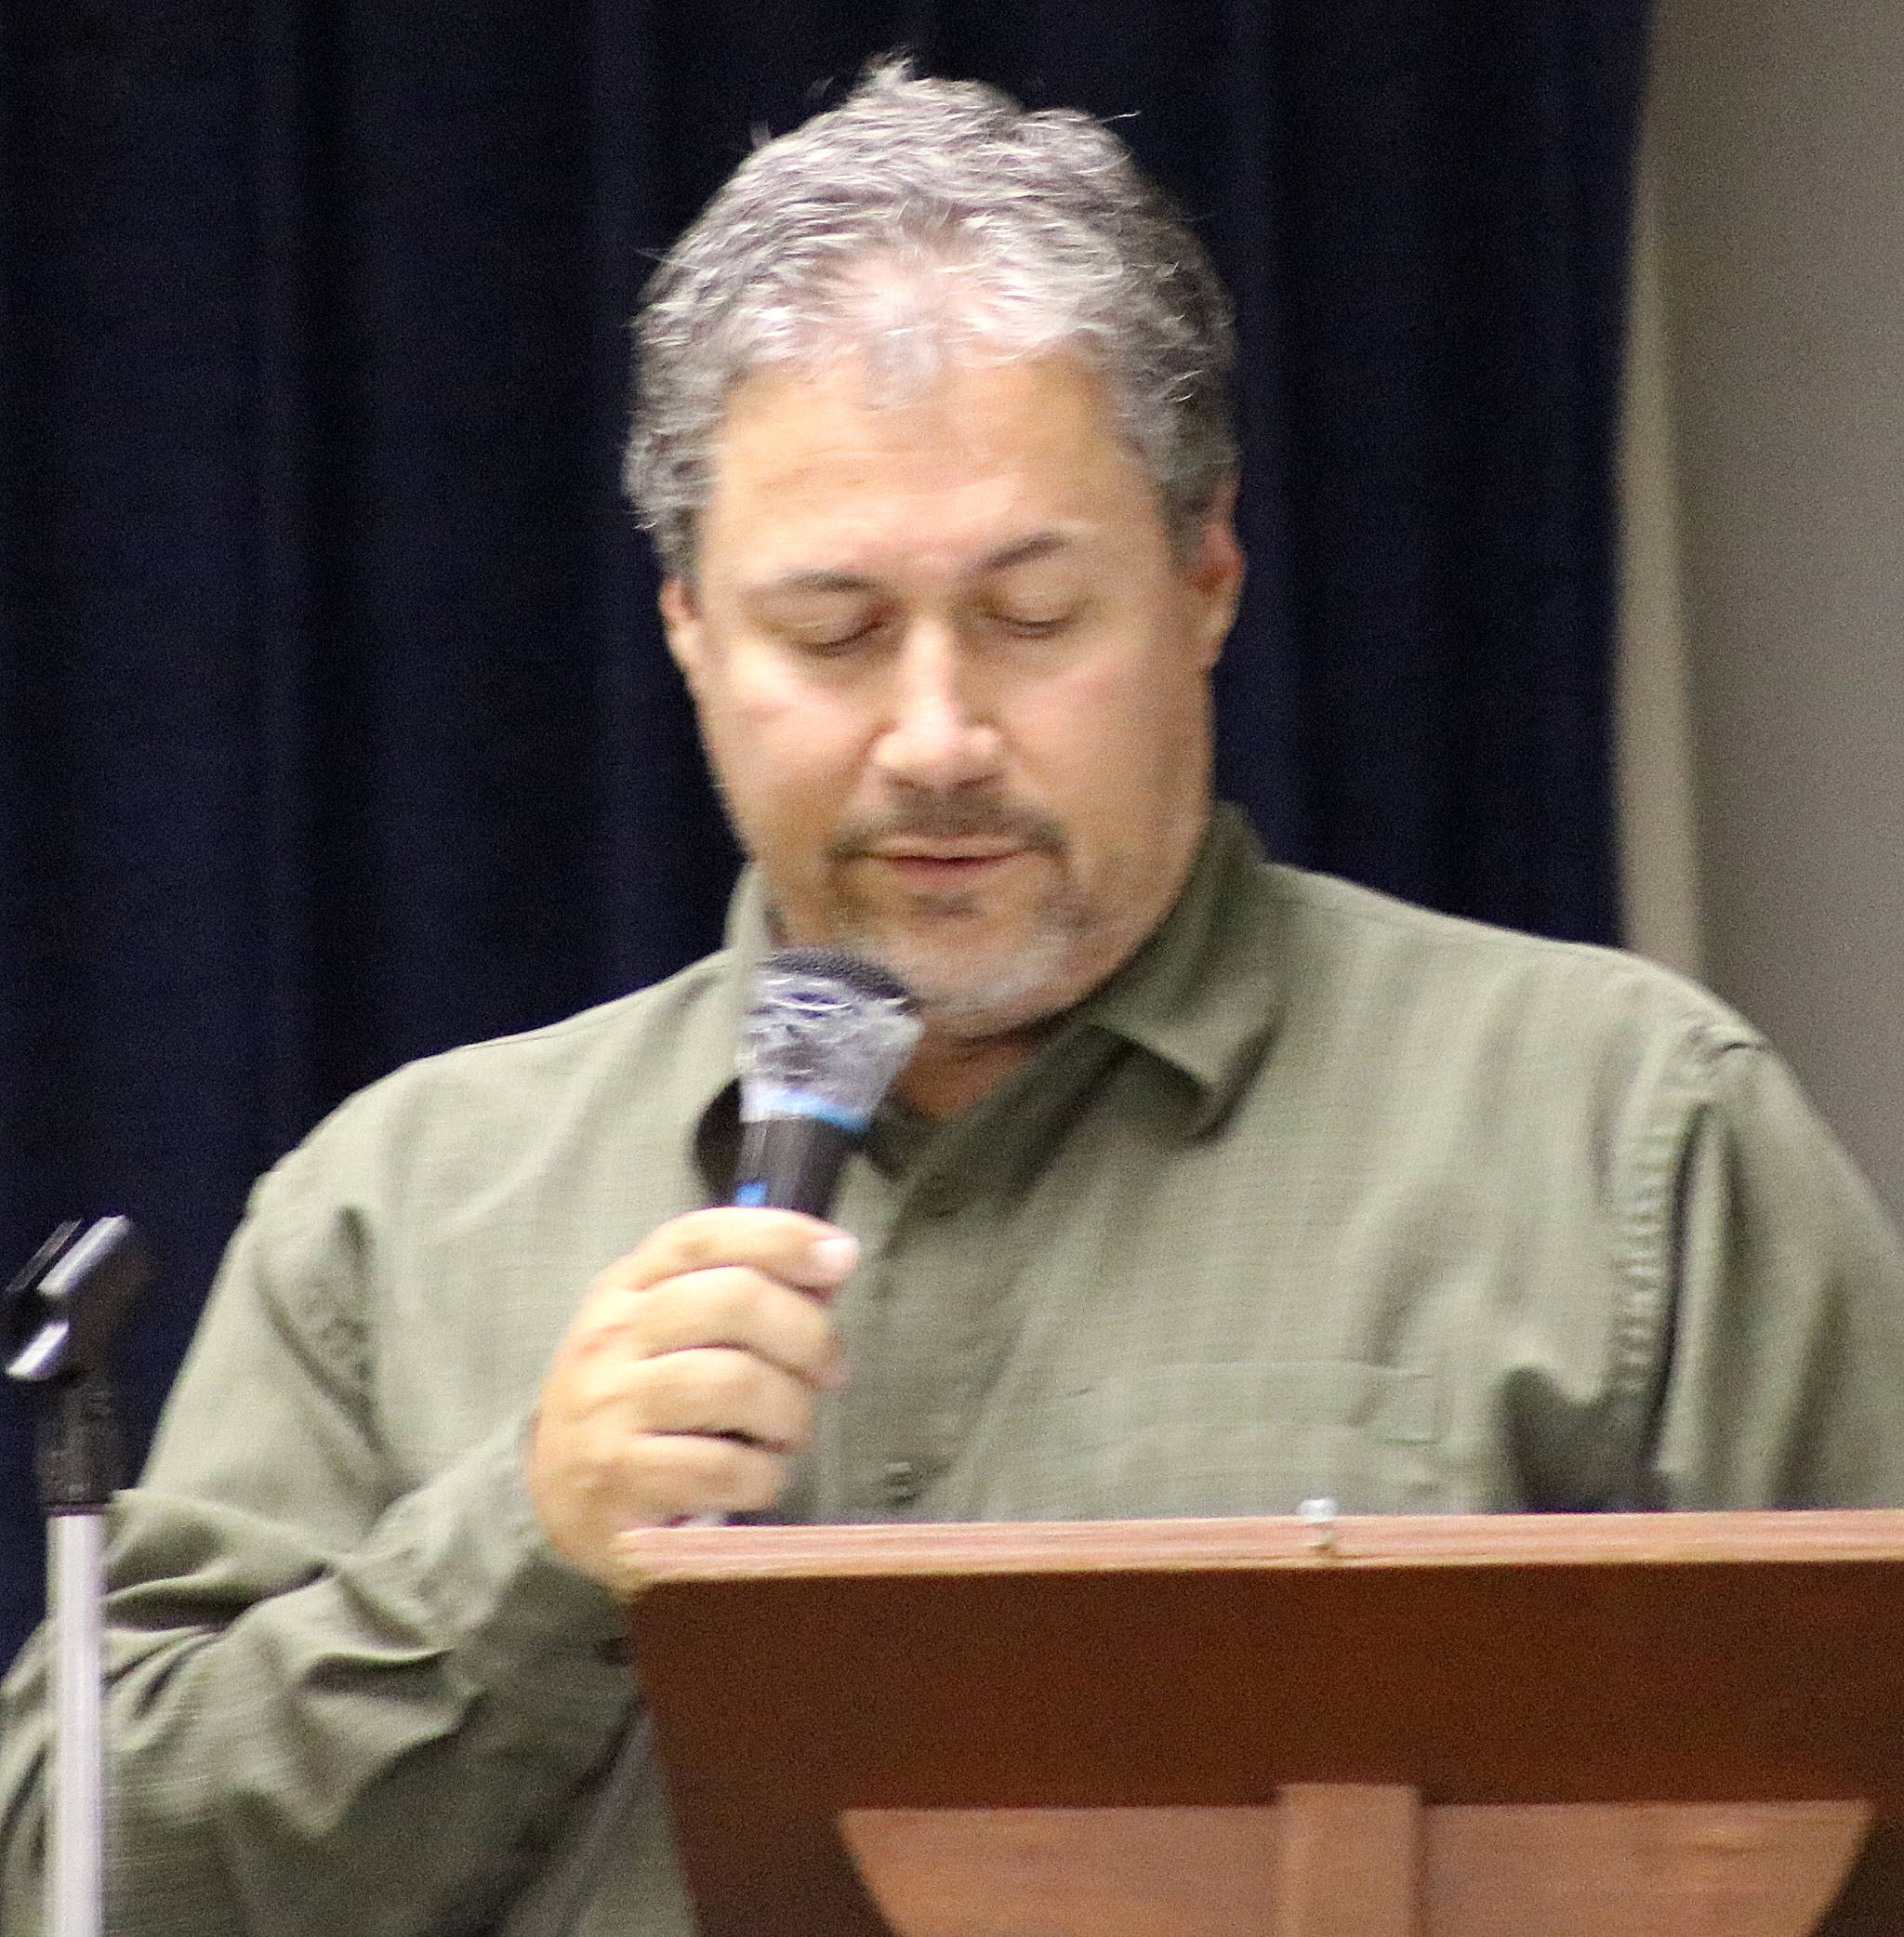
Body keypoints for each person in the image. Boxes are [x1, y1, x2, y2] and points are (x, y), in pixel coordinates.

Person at [6, 59, 1904, 1937]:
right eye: (831, 632)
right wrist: (522, 1540)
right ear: (686, 631)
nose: (933, 738)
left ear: (1206, 577)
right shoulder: (405, 1205)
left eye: (1029, 616)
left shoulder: (1626, 1138)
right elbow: (76, 1873)